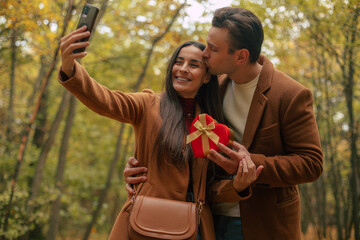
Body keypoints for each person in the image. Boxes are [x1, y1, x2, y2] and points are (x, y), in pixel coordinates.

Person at [124, 7, 323, 240]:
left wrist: (251, 167)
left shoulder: (290, 94)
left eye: (213, 48)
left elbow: (312, 163)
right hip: (203, 218)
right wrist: (143, 169)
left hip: (262, 223)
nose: (204, 53)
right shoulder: (210, 87)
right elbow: (173, 127)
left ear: (240, 56)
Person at [58, 26, 263, 240]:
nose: (183, 68)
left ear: (206, 78)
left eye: (194, 65)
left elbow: (210, 189)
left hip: (194, 228)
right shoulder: (148, 104)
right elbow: (106, 100)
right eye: (178, 61)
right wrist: (70, 66)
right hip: (145, 224)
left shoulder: (212, 125)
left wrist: (237, 186)